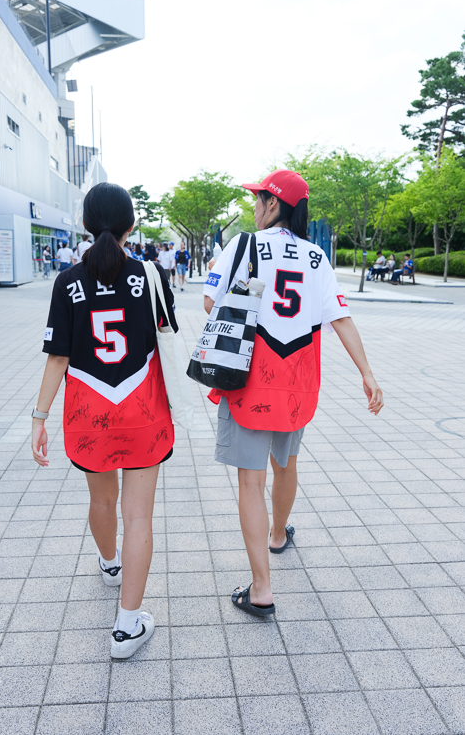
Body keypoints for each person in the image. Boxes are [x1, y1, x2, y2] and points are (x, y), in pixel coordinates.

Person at [203, 169, 383, 617]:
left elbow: (211, 303)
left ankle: (262, 588)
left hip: (250, 378)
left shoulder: (244, 245)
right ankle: (279, 534)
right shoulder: (317, 257)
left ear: (273, 203)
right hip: (297, 381)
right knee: (286, 464)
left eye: (259, 198)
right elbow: (340, 317)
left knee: (251, 480)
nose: (254, 206)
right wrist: (367, 373)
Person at [32, 182, 177, 659]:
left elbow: (58, 357)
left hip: (89, 409)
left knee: (101, 499)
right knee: (139, 515)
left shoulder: (67, 281)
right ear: (131, 224)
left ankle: (110, 563)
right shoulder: (151, 275)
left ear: (85, 224)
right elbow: (164, 335)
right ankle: (127, 625)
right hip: (142, 408)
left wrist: (39, 418)